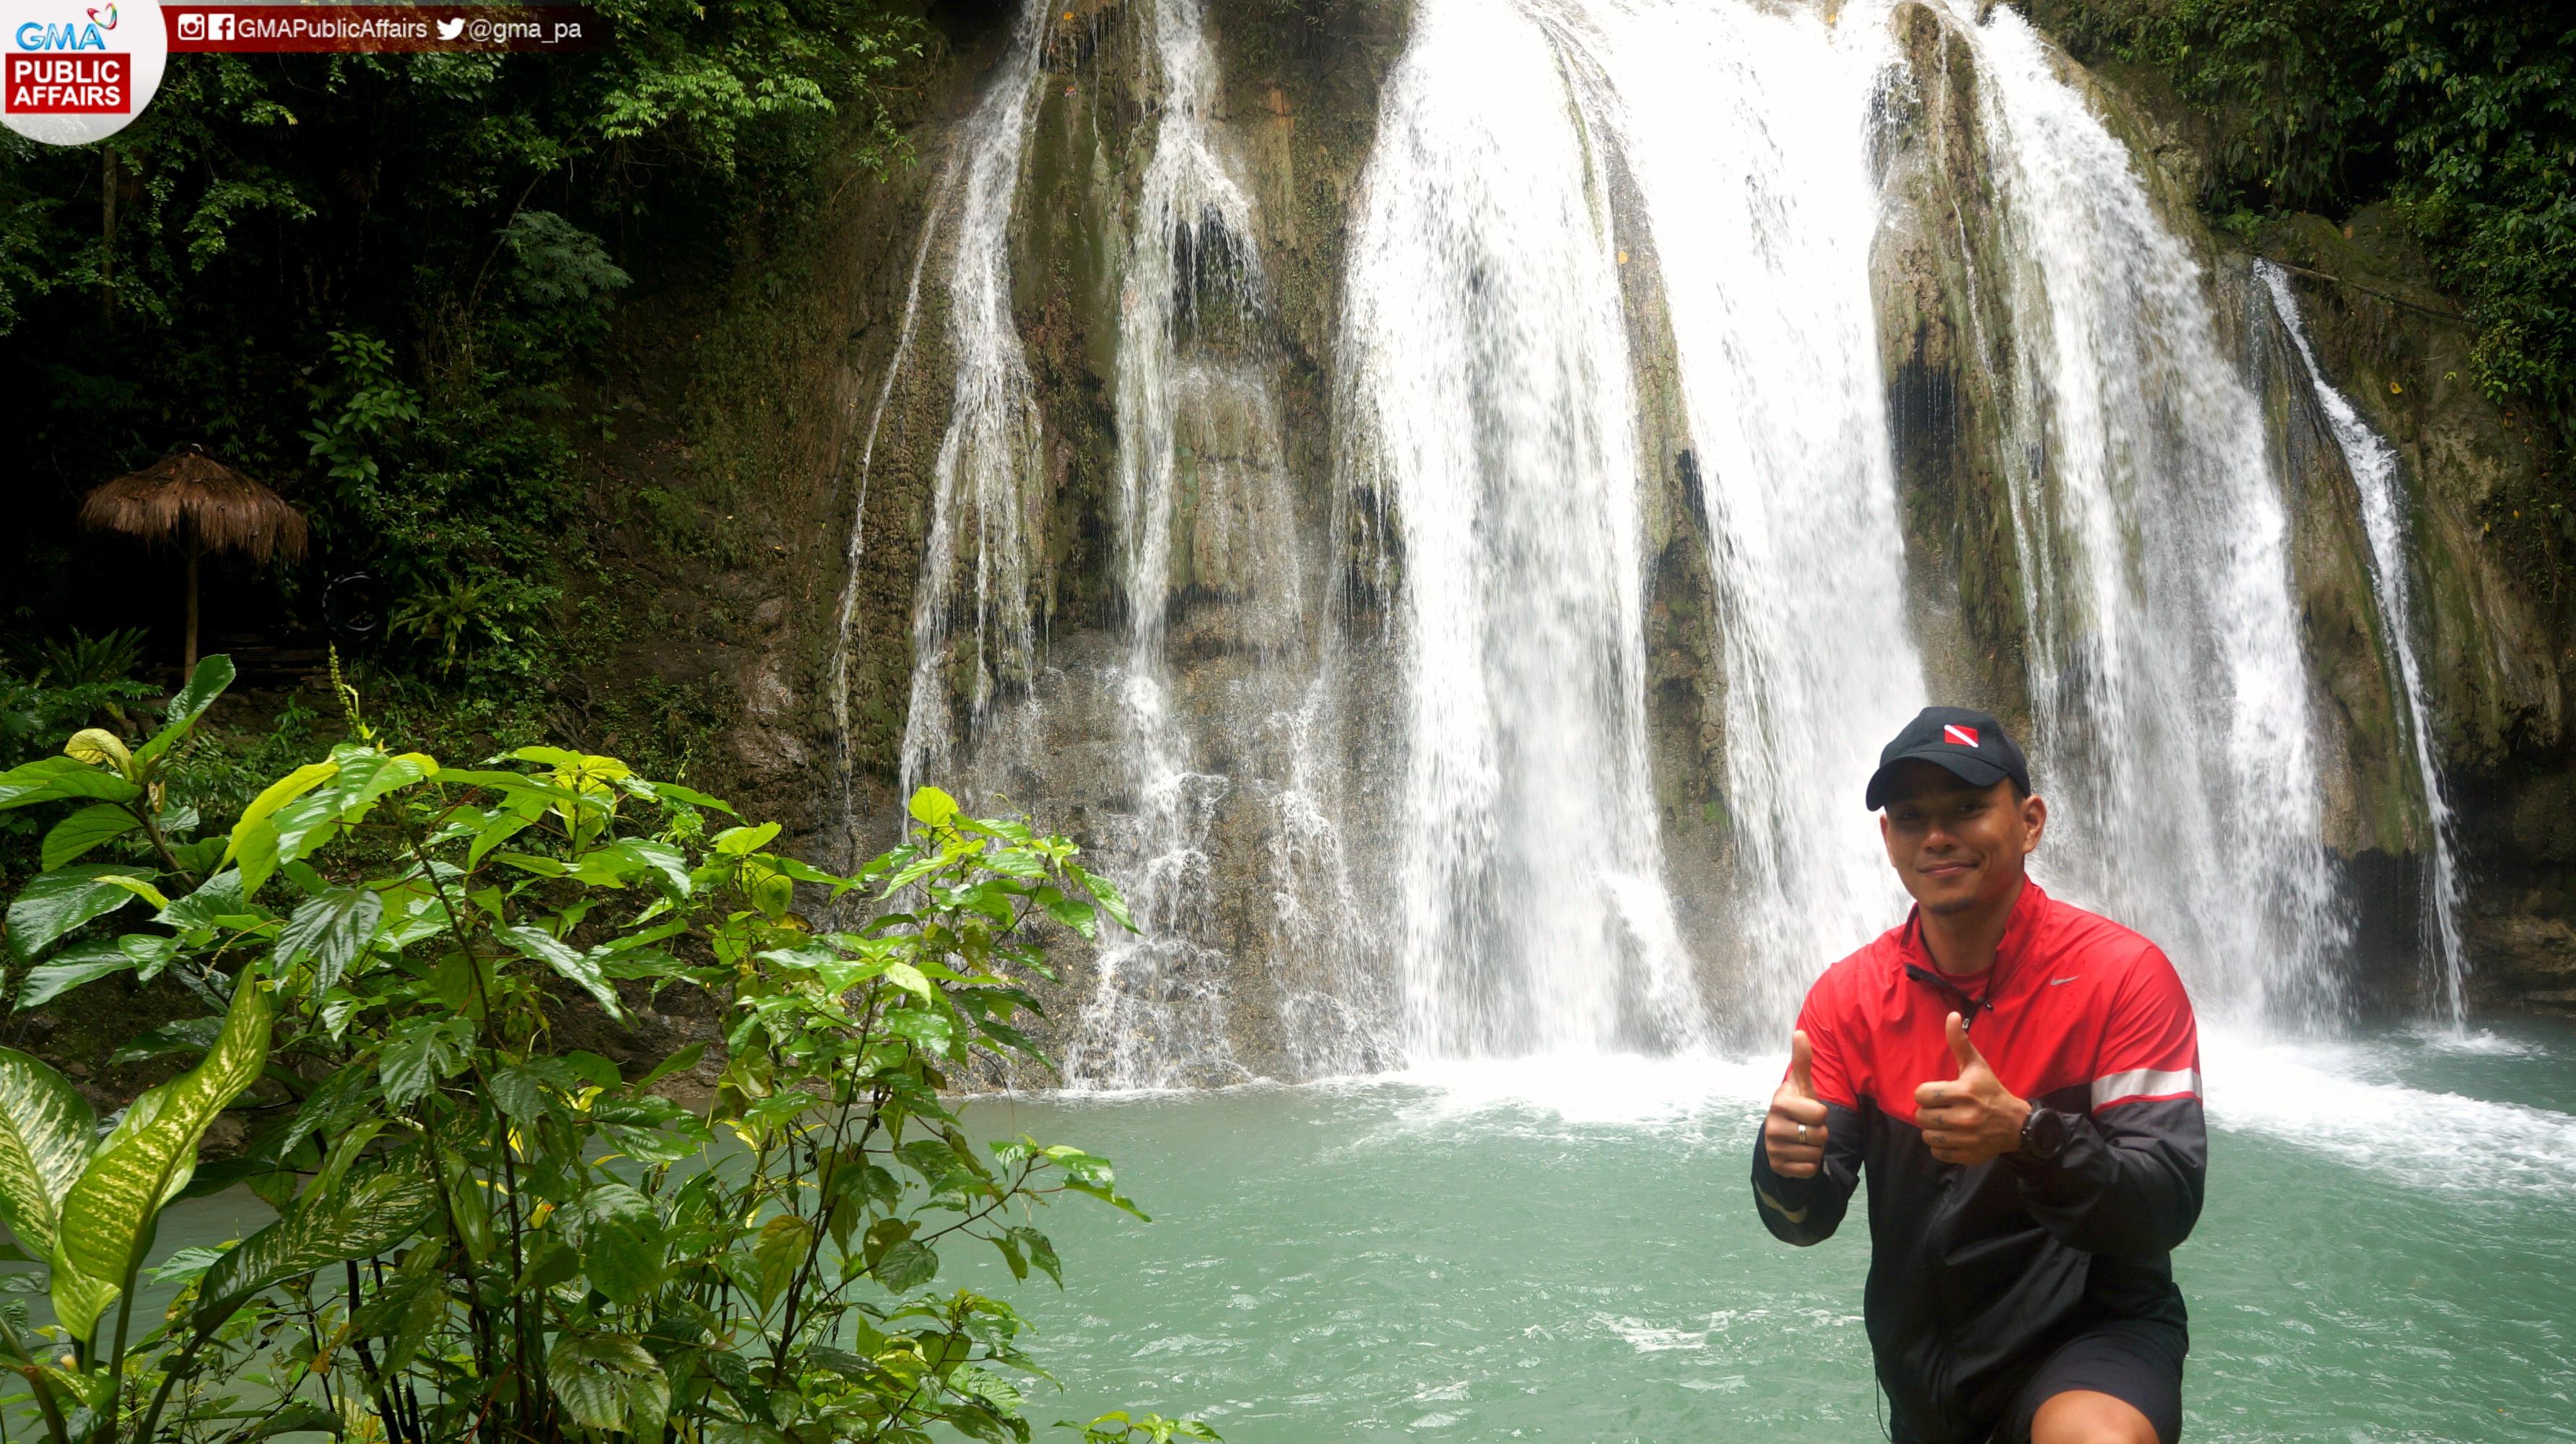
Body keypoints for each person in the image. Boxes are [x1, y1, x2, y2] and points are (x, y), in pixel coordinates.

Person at [1750, 706, 2205, 1444]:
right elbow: (1803, 1221)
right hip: (1924, 1372)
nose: (1936, 835)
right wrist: (1782, 1167)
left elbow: (2166, 1204)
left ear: (2029, 821)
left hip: (2093, 1338)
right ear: (1887, 839)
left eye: (1966, 808)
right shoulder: (1847, 999)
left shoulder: (2121, 977)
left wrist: (2028, 1134)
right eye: (1910, 816)